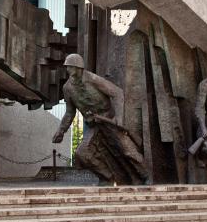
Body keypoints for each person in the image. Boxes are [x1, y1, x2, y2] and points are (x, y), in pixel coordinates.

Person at [52, 53, 149, 185]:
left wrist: (119, 118)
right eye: (67, 67)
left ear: (78, 67)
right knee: (83, 153)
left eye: (70, 67)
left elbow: (117, 93)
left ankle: (147, 176)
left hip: (109, 120)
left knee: (127, 150)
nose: (68, 70)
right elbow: (70, 113)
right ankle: (107, 178)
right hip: (94, 125)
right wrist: (61, 131)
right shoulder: (67, 88)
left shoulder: (93, 79)